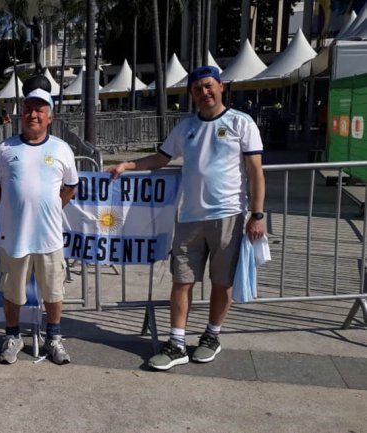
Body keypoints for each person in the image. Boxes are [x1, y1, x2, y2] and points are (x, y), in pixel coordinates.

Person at [107, 66, 266, 371]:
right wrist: (127, 165)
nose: (203, 93)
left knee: (222, 283)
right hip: (190, 217)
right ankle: (177, 343)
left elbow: (255, 172)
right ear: (192, 95)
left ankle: (212, 335)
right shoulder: (185, 128)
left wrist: (257, 215)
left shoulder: (241, 123)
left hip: (229, 215)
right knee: (181, 281)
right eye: (197, 89)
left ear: (220, 87)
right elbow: (159, 159)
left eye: (208, 86)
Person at [0, 88, 78, 365]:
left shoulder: (62, 148)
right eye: (28, 109)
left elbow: (71, 187)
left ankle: (54, 337)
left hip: (49, 237)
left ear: (49, 117)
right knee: (12, 292)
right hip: (14, 238)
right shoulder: (4, 149)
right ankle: (13, 336)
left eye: (40, 110)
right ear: (21, 114)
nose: (33, 115)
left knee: (53, 292)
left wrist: (49, 208)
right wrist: (15, 209)